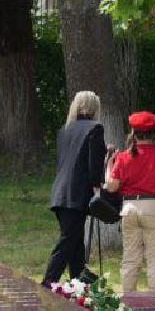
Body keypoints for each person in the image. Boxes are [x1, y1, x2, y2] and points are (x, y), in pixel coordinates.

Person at [105, 111, 155, 295]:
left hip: (129, 208)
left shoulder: (124, 156)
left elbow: (112, 187)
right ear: (154, 133)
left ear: (133, 133)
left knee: (131, 258)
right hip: (154, 207)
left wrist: (109, 166)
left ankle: (129, 300)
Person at [43, 91, 109, 286]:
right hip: (77, 193)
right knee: (68, 241)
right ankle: (47, 283)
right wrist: (98, 187)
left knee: (76, 242)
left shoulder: (65, 130)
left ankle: (78, 284)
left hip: (61, 192)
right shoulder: (95, 128)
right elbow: (93, 163)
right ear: (95, 108)